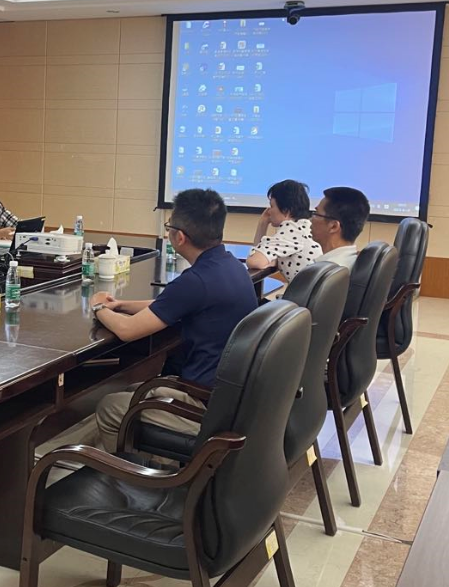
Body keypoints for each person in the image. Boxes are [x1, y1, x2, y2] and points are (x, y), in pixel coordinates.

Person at [89, 188, 256, 452]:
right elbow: (169, 304)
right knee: (134, 389)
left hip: (205, 405)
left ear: (179, 237)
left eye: (169, 227)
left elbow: (127, 330)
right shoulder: (231, 265)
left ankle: (133, 473)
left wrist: (98, 305)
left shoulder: (196, 281)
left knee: (110, 407)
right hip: (231, 396)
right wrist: (120, 305)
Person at [247, 179, 322, 281]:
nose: (268, 211)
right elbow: (259, 254)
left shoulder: (291, 230)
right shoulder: (305, 226)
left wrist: (266, 261)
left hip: (301, 291)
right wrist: (263, 224)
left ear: (286, 211)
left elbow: (254, 261)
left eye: (271, 206)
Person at [310, 186, 370, 271]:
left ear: (333, 226)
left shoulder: (324, 271)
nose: (310, 219)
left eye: (316, 214)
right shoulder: (354, 261)